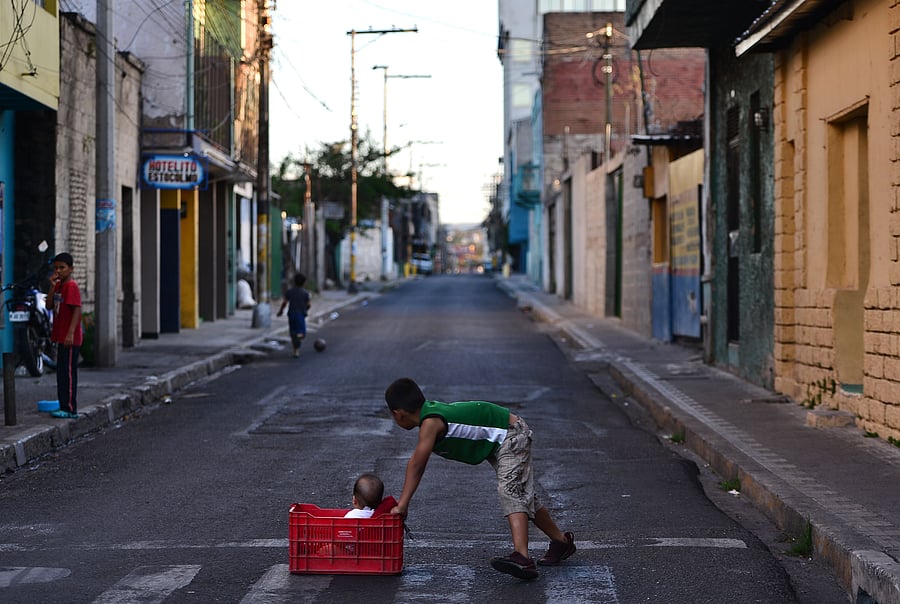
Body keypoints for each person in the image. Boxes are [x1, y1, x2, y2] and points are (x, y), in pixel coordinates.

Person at [384, 377, 576, 580]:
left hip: (511, 434)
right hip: (501, 439)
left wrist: (403, 504)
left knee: (510, 491)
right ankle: (561, 542)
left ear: (398, 414)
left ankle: (522, 557)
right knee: (523, 496)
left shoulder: (430, 422)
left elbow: (417, 464)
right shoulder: (430, 416)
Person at [47, 252, 83, 419]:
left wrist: (70, 334)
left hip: (70, 339)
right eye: (56, 268)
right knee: (61, 373)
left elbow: (76, 310)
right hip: (60, 337)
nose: (59, 271)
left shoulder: (71, 286)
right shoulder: (60, 286)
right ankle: (63, 405)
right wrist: (52, 286)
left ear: (71, 269)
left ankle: (70, 408)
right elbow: (48, 305)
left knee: (68, 373)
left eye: (62, 268)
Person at [276, 273, 311, 357]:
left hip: (291, 314)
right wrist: (306, 310)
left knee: (293, 332)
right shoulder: (305, 293)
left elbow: (284, 302)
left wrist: (280, 311)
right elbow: (309, 304)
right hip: (300, 315)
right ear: (304, 282)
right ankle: (298, 337)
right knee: (302, 333)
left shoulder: (290, 292)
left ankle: (296, 351)